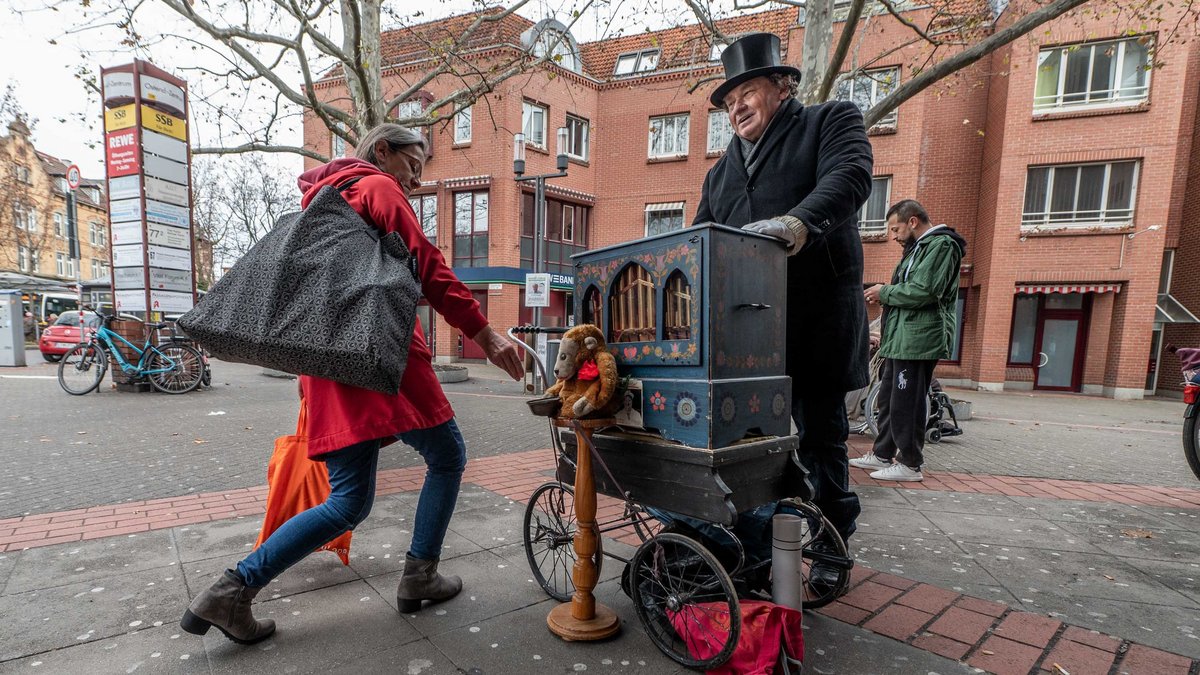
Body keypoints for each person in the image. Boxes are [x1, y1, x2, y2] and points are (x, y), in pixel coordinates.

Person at [180, 124, 524, 645]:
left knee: (348, 501)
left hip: (329, 365)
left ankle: (229, 591)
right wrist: (485, 334)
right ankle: (420, 572)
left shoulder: (322, 200)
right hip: (383, 357)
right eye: (414, 164)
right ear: (382, 150)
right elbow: (428, 265)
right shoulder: (377, 187)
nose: (416, 179)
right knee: (448, 455)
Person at [694, 32, 874, 591]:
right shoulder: (720, 171)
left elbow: (851, 179)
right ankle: (764, 548)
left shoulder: (830, 121)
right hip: (749, 338)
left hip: (818, 322)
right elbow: (699, 240)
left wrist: (796, 224)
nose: (737, 108)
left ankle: (833, 552)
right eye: (728, 102)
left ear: (782, 85)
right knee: (752, 450)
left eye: (746, 92)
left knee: (822, 439)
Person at [852, 200, 966, 482]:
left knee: (908, 402)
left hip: (918, 341)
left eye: (896, 228)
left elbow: (925, 291)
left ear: (912, 222)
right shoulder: (918, 249)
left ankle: (911, 463)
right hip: (902, 338)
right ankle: (882, 453)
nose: (894, 236)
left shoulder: (941, 246)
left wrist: (884, 292)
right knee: (890, 399)